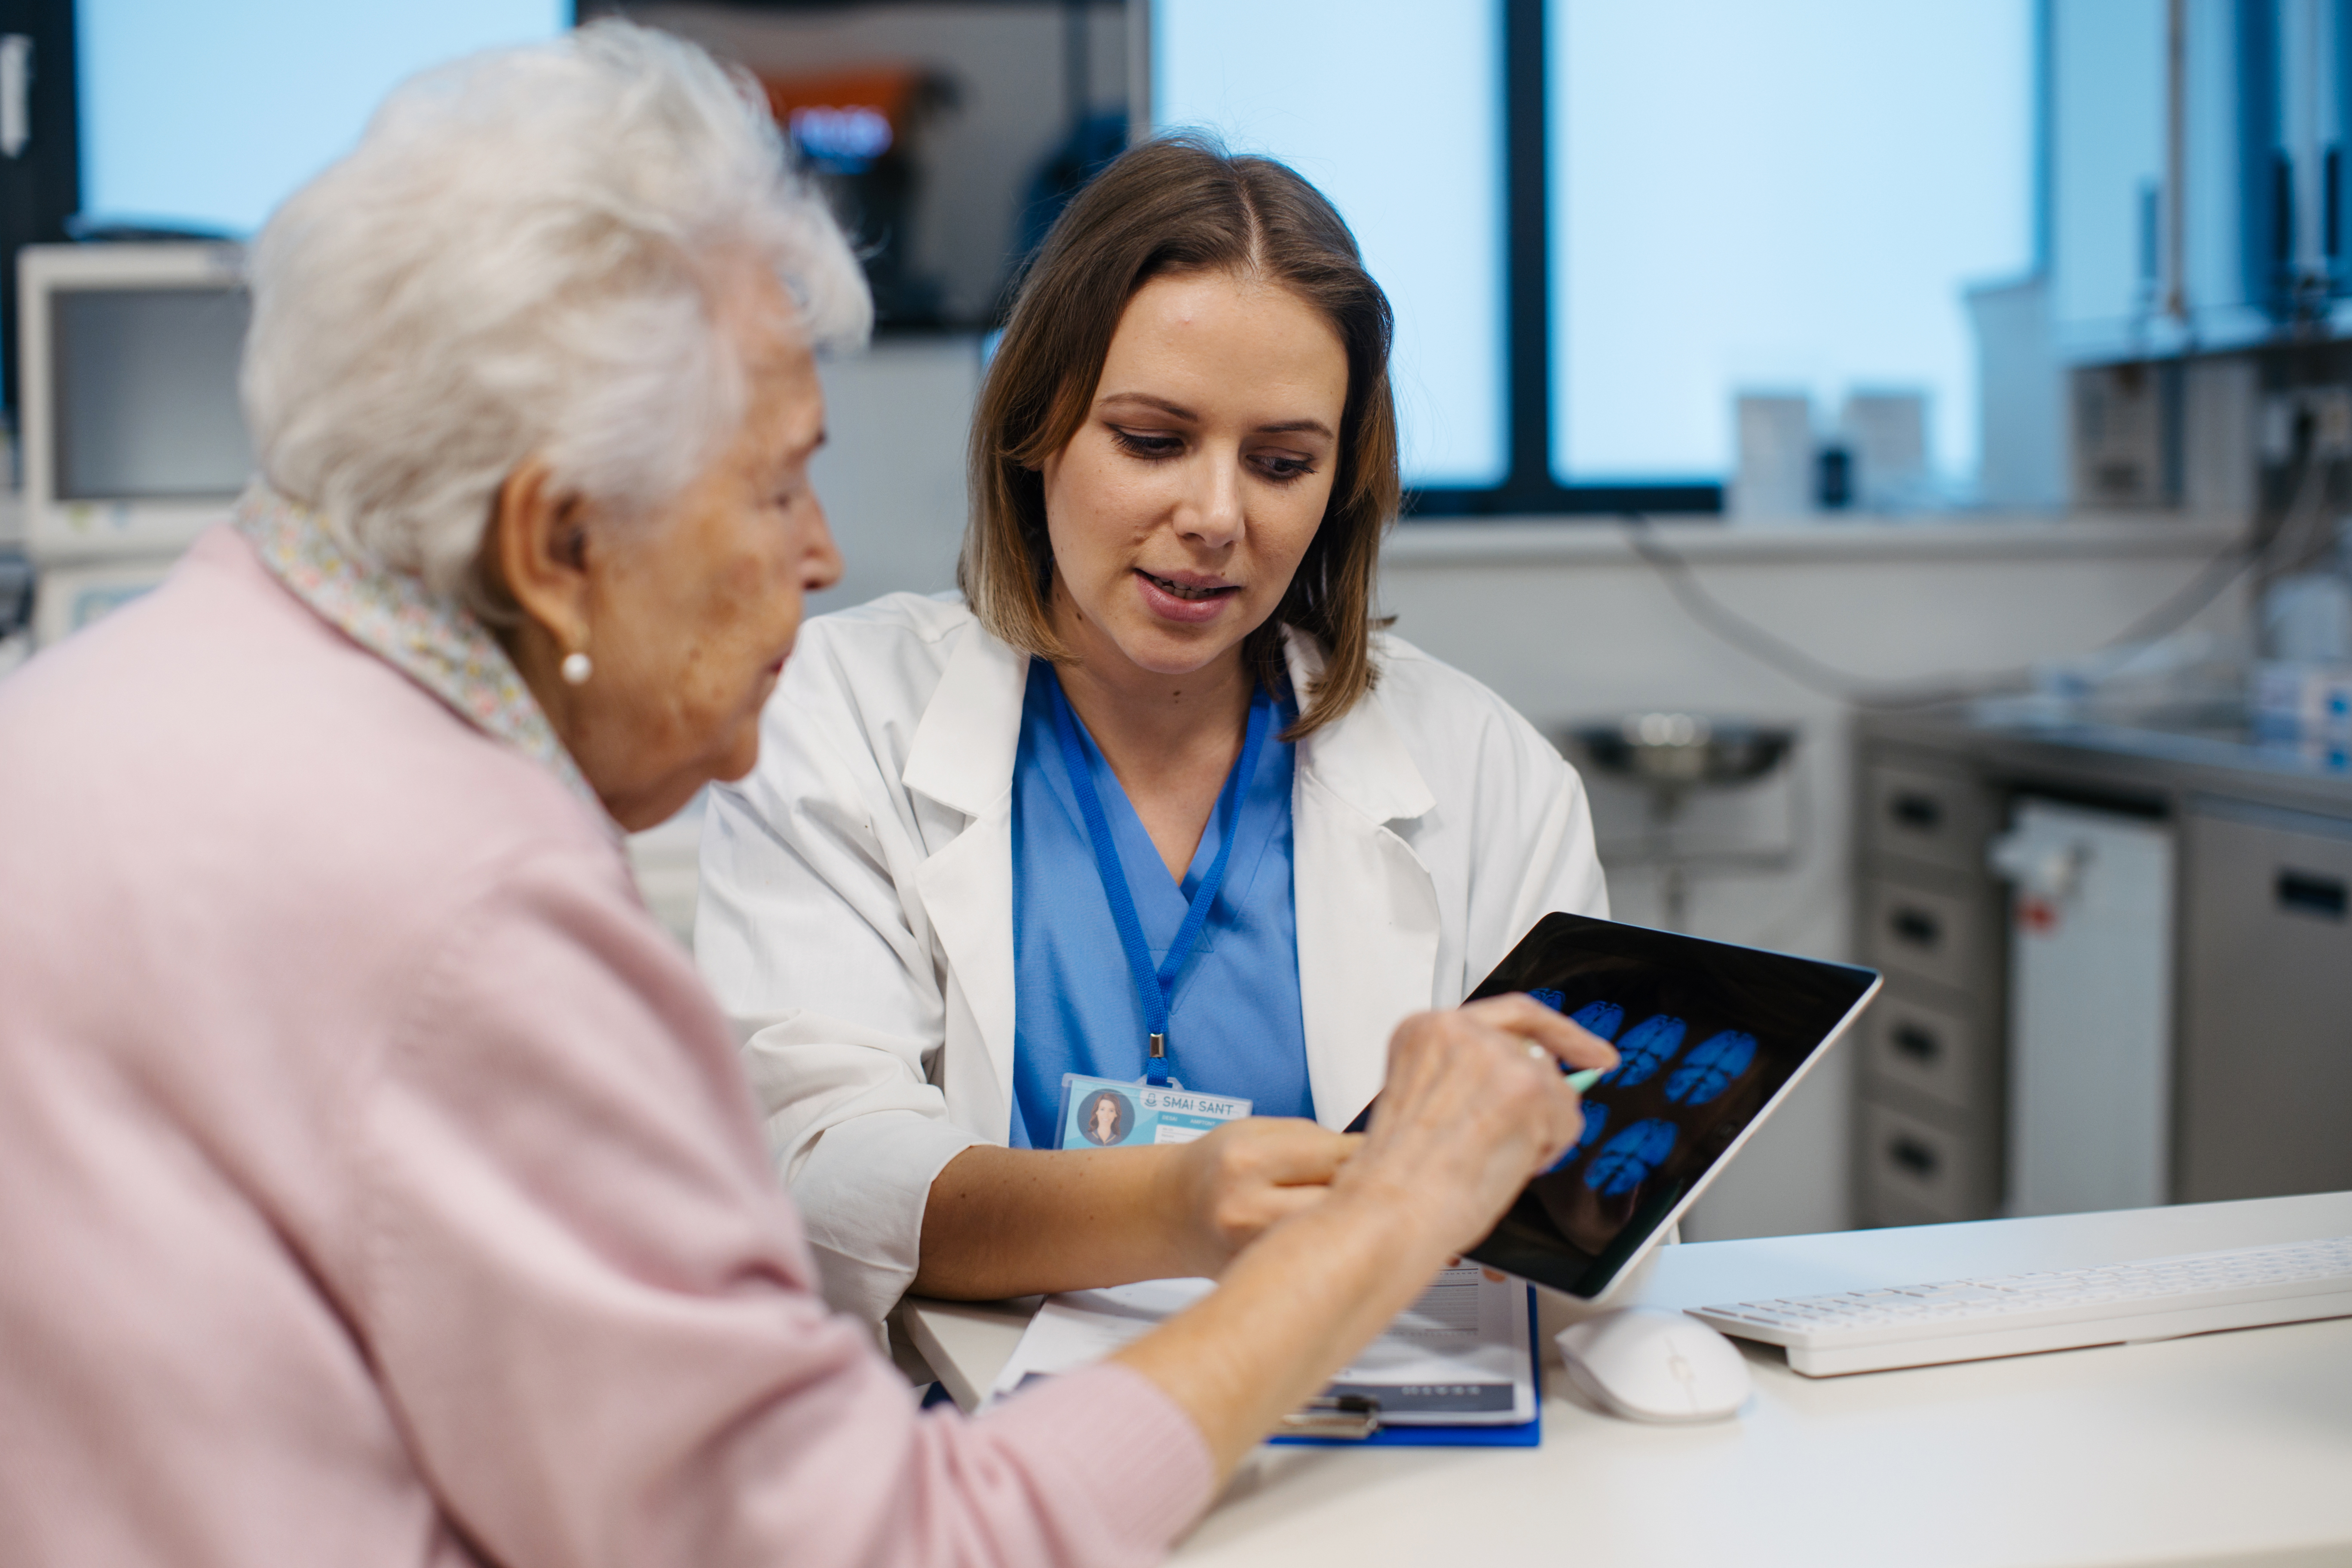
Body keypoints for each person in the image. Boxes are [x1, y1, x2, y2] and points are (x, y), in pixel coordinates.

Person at [0, 24, 1615, 1566]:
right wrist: (1362, 1232)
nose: (824, 553)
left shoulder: (107, 714)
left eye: (1281, 460)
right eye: (776, 482)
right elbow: (881, 1539)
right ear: (559, 546)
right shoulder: (472, 913)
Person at [699, 136, 1612, 1324]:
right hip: (980, 1454)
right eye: (1152, 441)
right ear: (1039, 430)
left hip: (1374, 1456)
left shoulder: (1485, 772)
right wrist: (1171, 1209)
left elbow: (1596, 1204)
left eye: (1282, 462)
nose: (1217, 517)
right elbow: (814, 1178)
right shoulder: (837, 718)